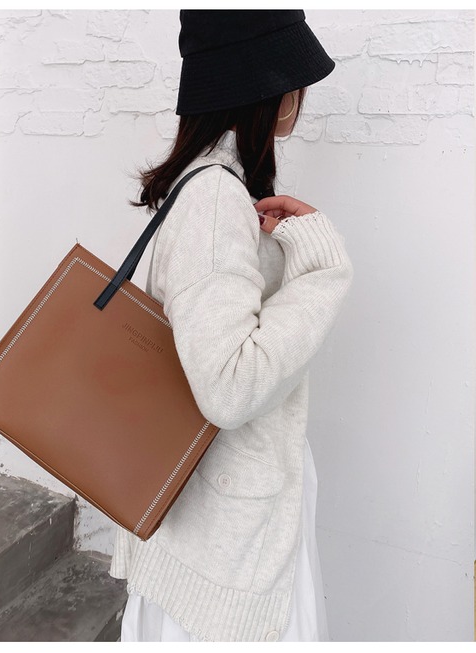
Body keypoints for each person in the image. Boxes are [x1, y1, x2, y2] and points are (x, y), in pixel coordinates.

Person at [108, 9, 353, 642]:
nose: (300, 96)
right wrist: (321, 272)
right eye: (293, 80)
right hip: (225, 546)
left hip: (217, 522)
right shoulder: (215, 198)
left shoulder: (211, 188)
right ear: (268, 91)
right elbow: (231, 387)